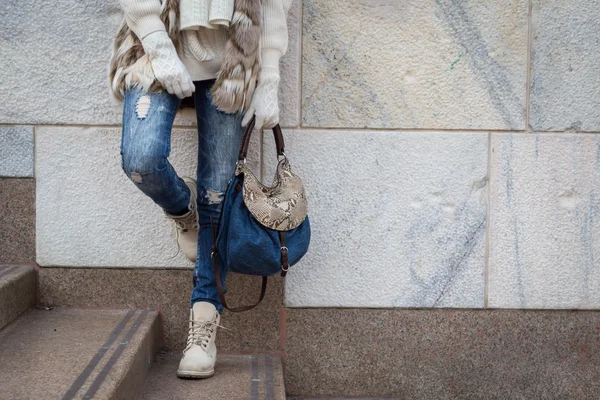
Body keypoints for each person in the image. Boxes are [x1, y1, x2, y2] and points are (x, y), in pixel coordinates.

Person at [109, 0, 292, 379]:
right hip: (155, 45)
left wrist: (269, 79)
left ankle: (204, 322)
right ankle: (181, 207)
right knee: (141, 162)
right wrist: (159, 46)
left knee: (217, 195)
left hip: (231, 63)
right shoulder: (155, 45)